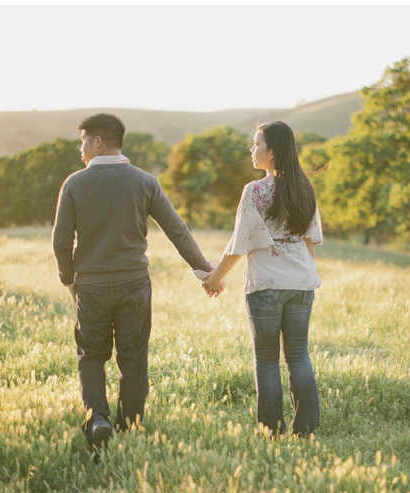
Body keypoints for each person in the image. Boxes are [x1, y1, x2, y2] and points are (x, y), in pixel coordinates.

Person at [52, 113, 217, 449]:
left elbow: (60, 240)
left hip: (92, 286)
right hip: (135, 285)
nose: (80, 149)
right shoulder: (145, 181)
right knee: (133, 357)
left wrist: (69, 281)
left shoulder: (74, 183)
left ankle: (97, 418)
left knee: (92, 355)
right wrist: (204, 270)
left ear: (98, 141)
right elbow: (176, 230)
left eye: (83, 141)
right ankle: (128, 427)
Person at [202, 121, 323, 437]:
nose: (251, 150)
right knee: (298, 356)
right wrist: (304, 274)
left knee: (267, 360)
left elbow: (238, 244)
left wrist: (215, 279)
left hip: (266, 284)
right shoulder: (305, 188)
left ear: (273, 152)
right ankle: (306, 430)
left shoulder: (254, 191)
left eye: (256, 144)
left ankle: (271, 430)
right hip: (302, 282)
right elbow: (311, 241)